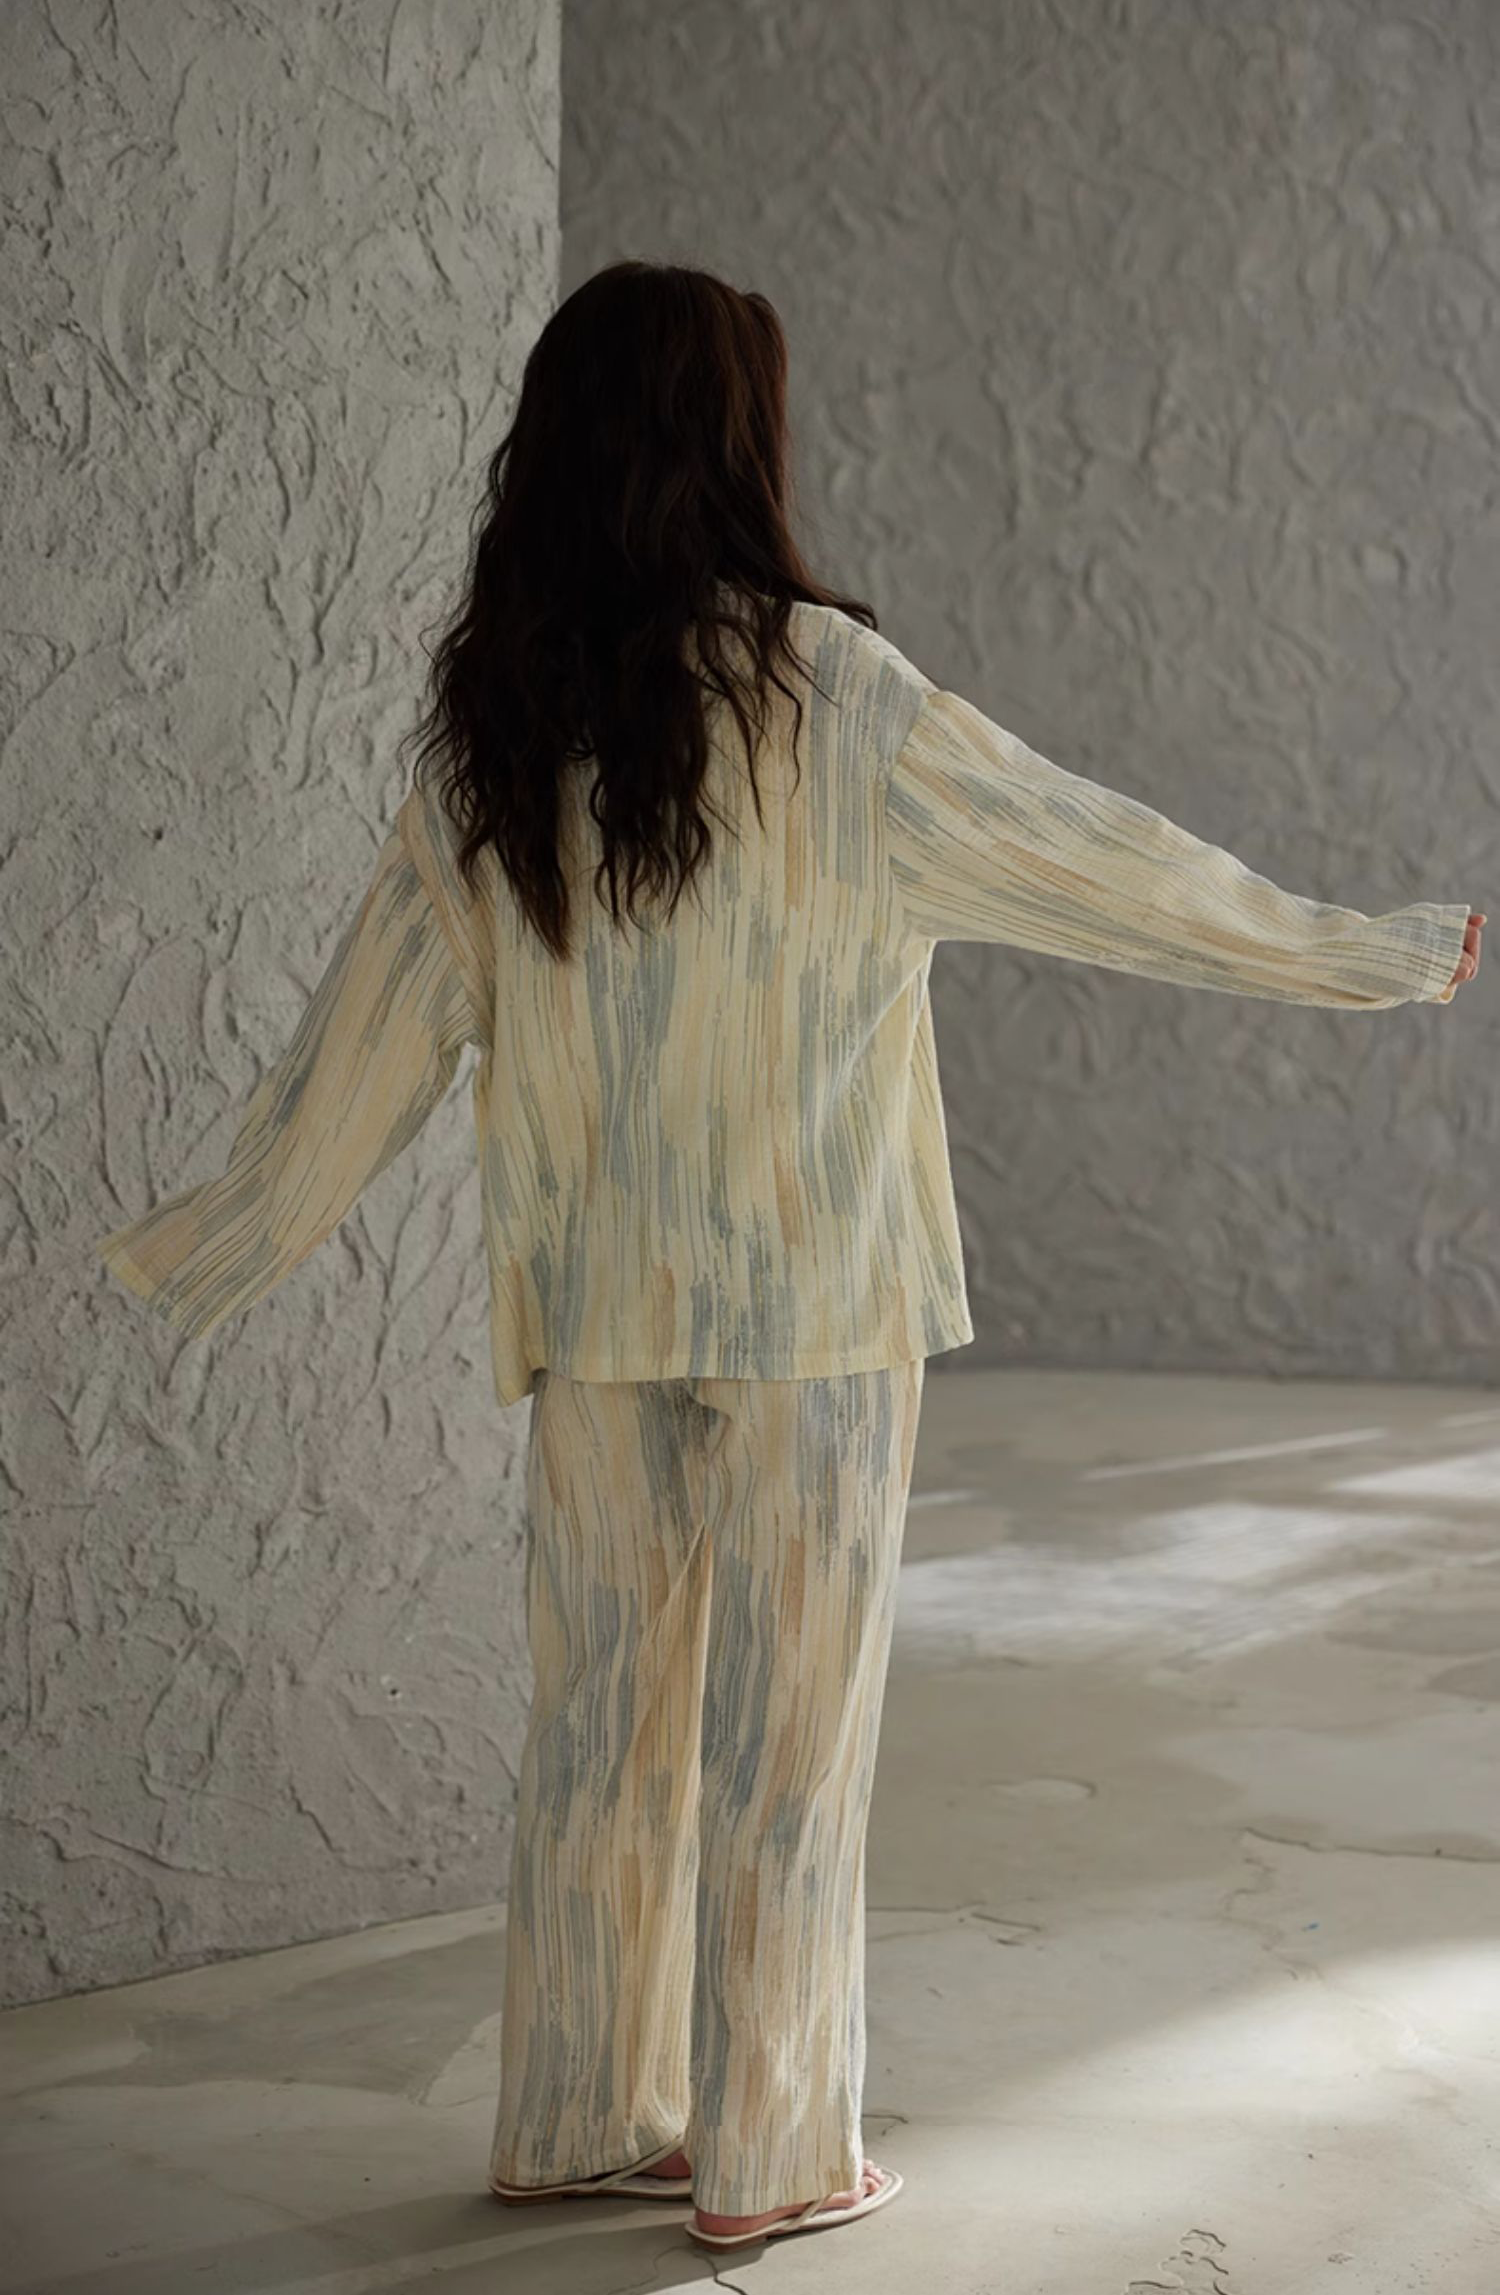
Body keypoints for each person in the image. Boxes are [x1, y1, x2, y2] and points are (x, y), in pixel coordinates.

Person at [94, 260, 1485, 2254]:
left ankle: (581, 2110)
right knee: (787, 1747)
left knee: (599, 1723)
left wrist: (202, 1251)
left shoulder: (503, 723)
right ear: (737, 444)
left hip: (596, 1308)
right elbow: (1110, 866)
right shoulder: (840, 702)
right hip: (818, 1307)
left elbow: (367, 1039)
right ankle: (772, 2156)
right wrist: (1368, 952)